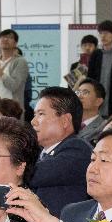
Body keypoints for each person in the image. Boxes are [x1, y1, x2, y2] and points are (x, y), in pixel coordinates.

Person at [28, 87, 92, 215]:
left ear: (65, 121)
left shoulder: (78, 149)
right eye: (35, 115)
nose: (33, 121)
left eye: (41, 114)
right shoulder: (37, 152)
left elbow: (33, 175)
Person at [0, 29, 31, 111]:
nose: (5, 39)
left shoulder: (20, 61)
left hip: (11, 109)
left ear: (15, 43)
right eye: (2, 37)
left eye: (9, 37)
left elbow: (14, 86)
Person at [75, 79, 108, 145]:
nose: (79, 96)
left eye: (85, 92)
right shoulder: (68, 122)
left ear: (98, 101)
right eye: (78, 92)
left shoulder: (105, 127)